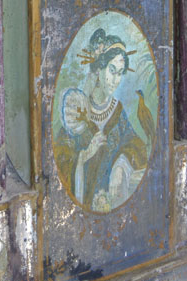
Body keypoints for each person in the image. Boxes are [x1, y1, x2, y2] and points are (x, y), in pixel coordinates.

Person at [54, 33, 153, 212]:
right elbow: (61, 160)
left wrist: (121, 164)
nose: (115, 80)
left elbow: (133, 144)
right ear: (99, 70)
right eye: (112, 70)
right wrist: (84, 156)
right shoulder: (78, 110)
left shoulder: (117, 111)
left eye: (120, 73)